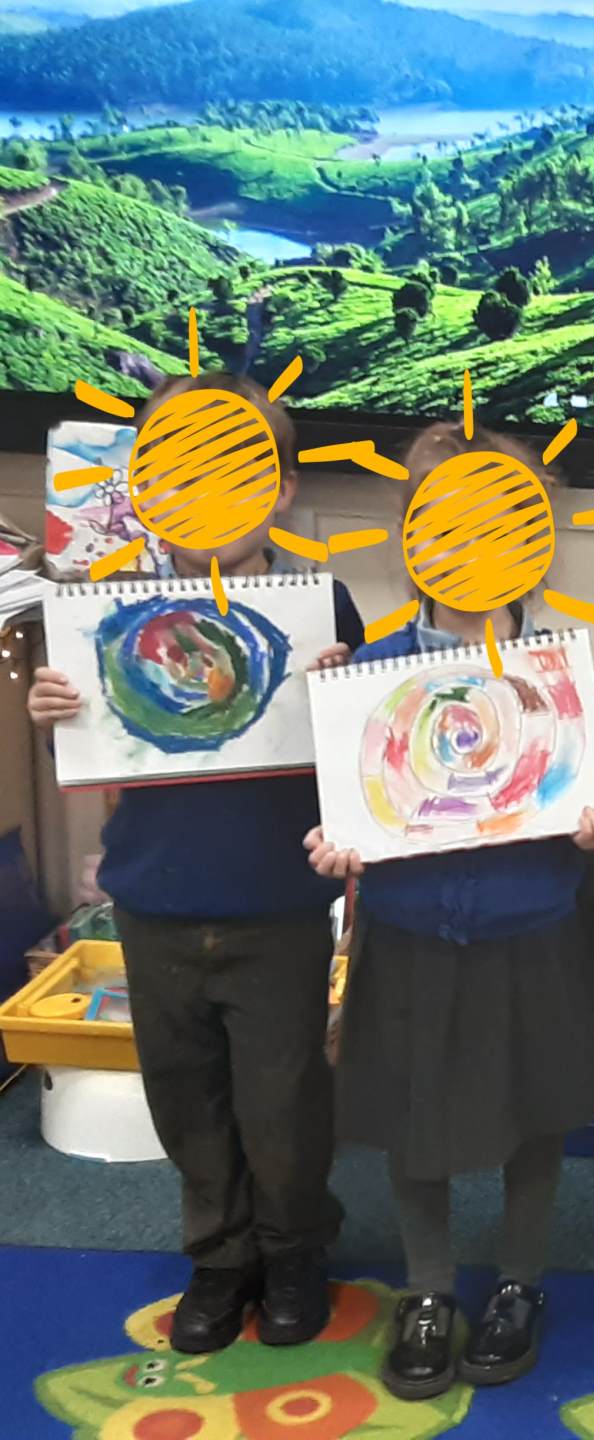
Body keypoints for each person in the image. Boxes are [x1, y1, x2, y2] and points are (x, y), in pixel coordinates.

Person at [26, 372, 363, 1353]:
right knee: (186, 1095)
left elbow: (359, 756)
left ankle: (294, 1248)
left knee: (284, 1097)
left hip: (277, 901)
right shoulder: (106, 603)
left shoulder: (321, 603)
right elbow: (94, 748)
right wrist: (53, 717)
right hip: (157, 897)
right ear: (146, 488)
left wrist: (343, 697)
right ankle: (220, 1257)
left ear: (282, 487)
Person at [305, 422, 594, 1400]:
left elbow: (579, 807)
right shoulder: (367, 672)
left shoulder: (558, 670)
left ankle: (520, 1281)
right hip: (410, 930)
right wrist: (337, 845)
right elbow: (346, 818)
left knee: (537, 1113)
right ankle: (429, 1288)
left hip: (530, 929)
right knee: (416, 1118)